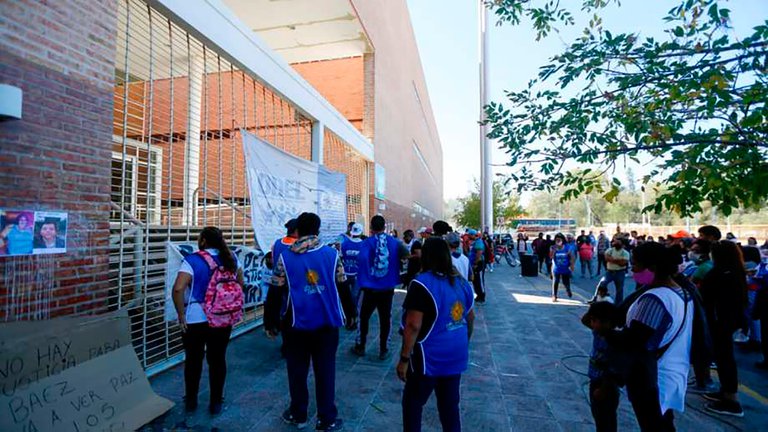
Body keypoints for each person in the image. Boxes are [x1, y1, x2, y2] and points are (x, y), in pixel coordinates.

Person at [265, 212, 354, 431]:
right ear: (318, 229)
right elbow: (343, 286)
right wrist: (352, 313)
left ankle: (298, 413)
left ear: (298, 230)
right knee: (325, 370)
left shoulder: (285, 258)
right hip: (326, 323)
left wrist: (270, 321)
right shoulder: (332, 255)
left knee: (296, 370)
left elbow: (275, 291)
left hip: (295, 325)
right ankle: (326, 418)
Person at [609, 242, 693, 431]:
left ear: (652, 268)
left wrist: (605, 331)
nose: (633, 269)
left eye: (636, 264)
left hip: (652, 376)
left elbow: (634, 341)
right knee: (662, 423)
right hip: (673, 371)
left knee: (653, 424)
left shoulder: (654, 299)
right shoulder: (682, 292)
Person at [398, 237, 475, 432]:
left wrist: (404, 359)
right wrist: (464, 341)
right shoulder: (461, 283)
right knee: (449, 407)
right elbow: (470, 317)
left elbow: (413, 325)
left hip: (429, 356)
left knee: (413, 403)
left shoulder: (422, 283)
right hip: (456, 353)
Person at [171, 227, 244, 415]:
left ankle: (191, 400)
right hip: (222, 318)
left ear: (203, 240)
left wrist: (181, 315)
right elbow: (240, 284)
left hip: (195, 318)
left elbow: (178, 289)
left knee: (193, 360)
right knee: (218, 359)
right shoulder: (232, 258)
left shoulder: (192, 260)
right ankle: (216, 402)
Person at [699, 241, 747, 417]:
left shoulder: (722, 273)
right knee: (722, 358)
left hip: (721, 322)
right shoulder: (734, 271)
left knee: (725, 359)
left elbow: (708, 295)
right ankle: (726, 391)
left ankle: (731, 401)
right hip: (726, 322)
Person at [354, 215, 410, 359]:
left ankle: (361, 346)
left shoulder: (366, 243)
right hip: (387, 288)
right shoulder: (395, 243)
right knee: (386, 319)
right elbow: (406, 256)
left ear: (371, 228)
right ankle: (383, 349)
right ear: (384, 227)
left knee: (364, 317)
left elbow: (361, 260)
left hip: (369, 288)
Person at [581, 301, 620, 432]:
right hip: (595, 381)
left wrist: (603, 389)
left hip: (604, 385)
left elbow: (613, 369)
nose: (591, 323)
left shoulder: (613, 341)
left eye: (595, 320)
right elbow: (584, 320)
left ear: (607, 322)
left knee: (606, 419)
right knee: (599, 417)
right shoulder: (598, 332)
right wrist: (594, 309)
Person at [341, 223, 365, 329]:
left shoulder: (344, 244)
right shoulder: (364, 245)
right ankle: (354, 318)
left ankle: (349, 318)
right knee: (354, 297)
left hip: (345, 274)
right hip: (357, 275)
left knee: (347, 297)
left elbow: (340, 258)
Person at [591, 239, 630, 304]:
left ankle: (618, 304)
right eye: (615, 242)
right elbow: (606, 258)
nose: (616, 243)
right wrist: (618, 260)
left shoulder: (625, 253)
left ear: (622, 245)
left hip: (620, 272)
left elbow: (623, 263)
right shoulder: (610, 250)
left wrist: (612, 259)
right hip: (609, 272)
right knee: (602, 284)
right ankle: (596, 298)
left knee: (619, 289)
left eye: (618, 242)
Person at [550, 233, 575, 302]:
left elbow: (572, 256)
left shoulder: (567, 247)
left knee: (566, 281)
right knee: (555, 281)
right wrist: (554, 251)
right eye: (556, 240)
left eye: (559, 240)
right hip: (556, 268)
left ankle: (568, 290)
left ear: (562, 240)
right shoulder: (553, 247)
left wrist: (572, 265)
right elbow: (551, 257)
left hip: (565, 268)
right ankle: (554, 295)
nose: (558, 241)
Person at [468, 229, 487, 303]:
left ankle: (482, 296)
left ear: (473, 235)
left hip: (478, 264)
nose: (469, 237)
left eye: (470, 235)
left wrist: (475, 263)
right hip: (475, 264)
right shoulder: (475, 242)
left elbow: (479, 253)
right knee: (475, 281)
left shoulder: (478, 242)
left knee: (479, 281)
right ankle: (478, 295)